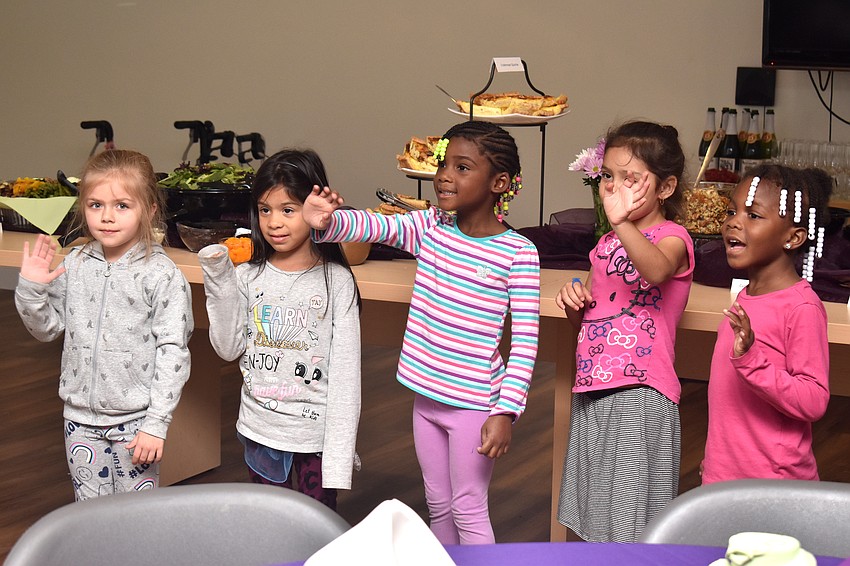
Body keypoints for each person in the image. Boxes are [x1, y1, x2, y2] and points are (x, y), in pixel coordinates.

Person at [302, 120, 540, 544]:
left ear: (499, 182)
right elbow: (373, 226)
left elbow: (524, 343)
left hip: (474, 406)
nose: (445, 175)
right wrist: (328, 221)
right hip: (426, 398)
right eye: (444, 164)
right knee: (438, 505)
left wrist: (505, 412)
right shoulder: (430, 227)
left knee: (468, 507)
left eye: (462, 168)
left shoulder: (518, 252)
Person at [15, 149, 194, 500]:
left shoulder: (161, 275)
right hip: (78, 420)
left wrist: (156, 424)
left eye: (122, 206)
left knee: (135, 515)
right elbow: (46, 328)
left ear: (150, 210)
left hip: (136, 422)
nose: (107, 217)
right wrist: (32, 289)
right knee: (89, 513)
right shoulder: (77, 262)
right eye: (96, 205)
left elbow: (173, 352)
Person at [197, 148, 361, 510]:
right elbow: (226, 348)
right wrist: (220, 279)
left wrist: (337, 462)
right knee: (272, 529)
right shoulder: (248, 276)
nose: (274, 222)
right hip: (260, 433)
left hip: (312, 438)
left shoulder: (336, 282)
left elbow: (347, 378)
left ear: (313, 209)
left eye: (288, 210)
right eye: (265, 210)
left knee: (315, 533)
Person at [555, 121, 694, 542]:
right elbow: (595, 316)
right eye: (610, 177)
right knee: (597, 520)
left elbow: (654, 271)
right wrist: (574, 302)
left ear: (665, 188)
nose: (616, 188)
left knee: (629, 526)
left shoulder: (673, 238)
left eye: (631, 179)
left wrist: (620, 224)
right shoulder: (605, 246)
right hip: (593, 389)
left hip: (639, 394)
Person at [701, 164, 831, 484]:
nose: (733, 221)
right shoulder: (746, 296)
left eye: (753, 215)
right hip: (724, 477)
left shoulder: (802, 308)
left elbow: (813, 400)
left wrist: (752, 361)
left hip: (773, 486)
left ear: (793, 237)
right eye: (732, 211)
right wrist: (716, 462)